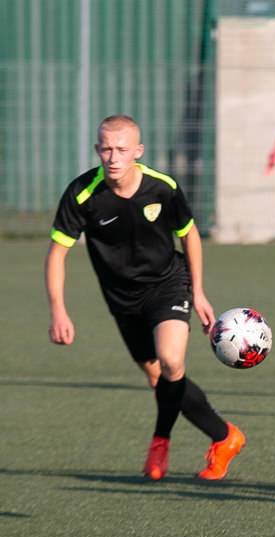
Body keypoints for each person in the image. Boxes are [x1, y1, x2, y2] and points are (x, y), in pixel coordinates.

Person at [46, 114, 245, 482]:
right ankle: (225, 436)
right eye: (105, 148)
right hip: (121, 301)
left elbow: (190, 235)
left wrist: (198, 291)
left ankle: (160, 443)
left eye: (122, 149)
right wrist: (58, 310)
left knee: (171, 361)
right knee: (160, 379)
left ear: (138, 151)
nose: (113, 157)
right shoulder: (82, 194)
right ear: (96, 150)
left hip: (167, 284)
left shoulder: (162, 188)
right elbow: (57, 253)